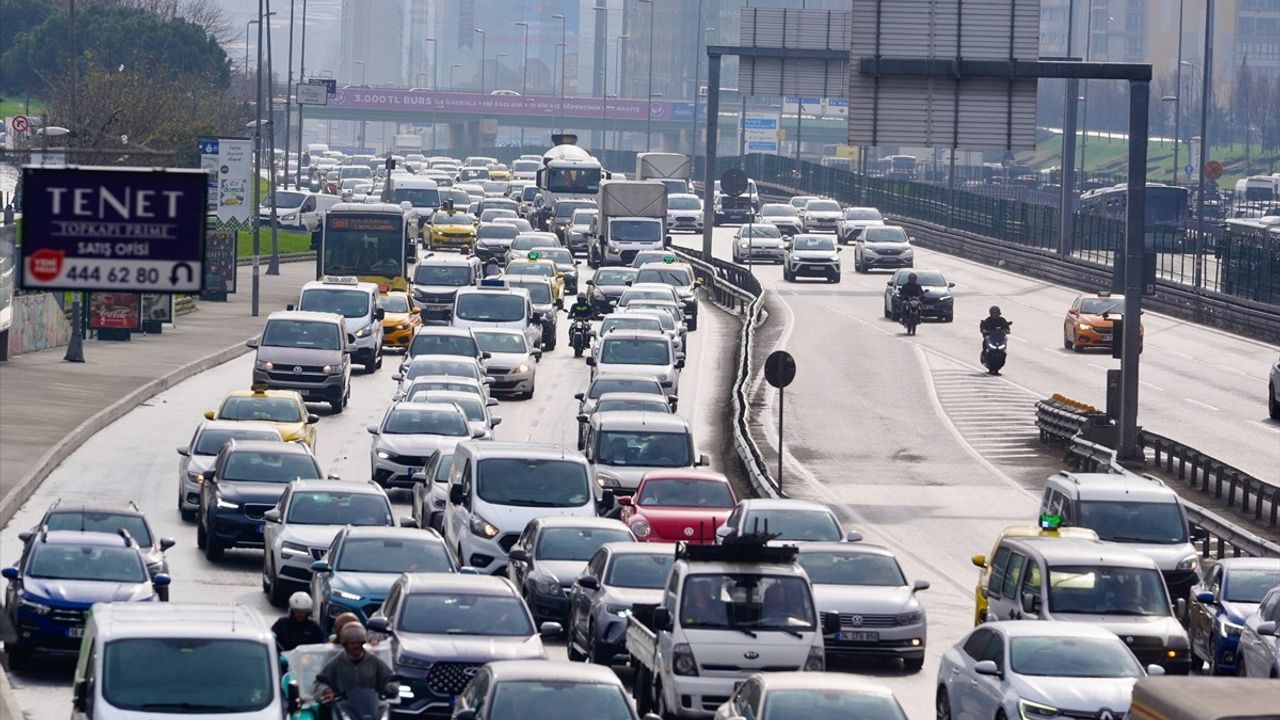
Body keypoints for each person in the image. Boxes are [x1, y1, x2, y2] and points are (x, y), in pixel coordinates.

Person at [314, 624, 398, 701]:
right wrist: (326, 692)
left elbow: (390, 679)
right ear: (345, 645)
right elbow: (320, 682)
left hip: (371, 707)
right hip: (343, 709)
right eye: (352, 643)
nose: (356, 646)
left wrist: (390, 687)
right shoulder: (336, 663)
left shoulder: (374, 662)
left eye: (359, 643)